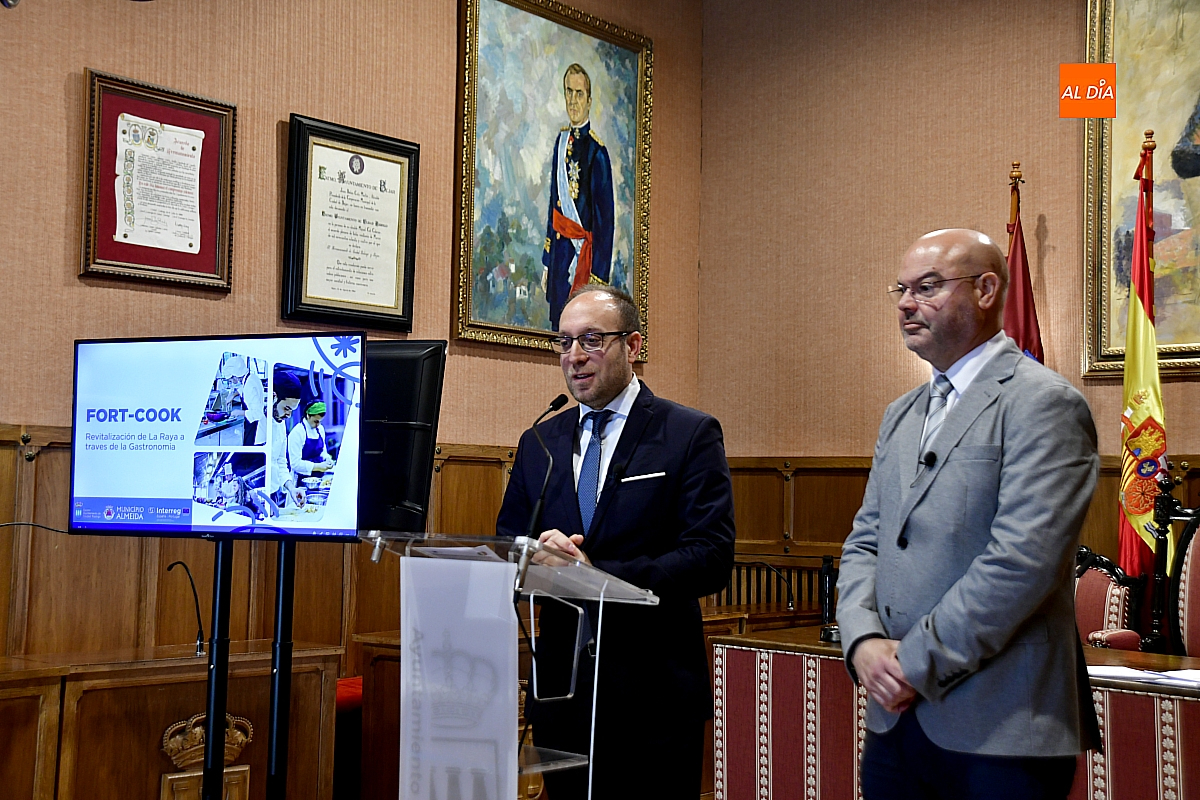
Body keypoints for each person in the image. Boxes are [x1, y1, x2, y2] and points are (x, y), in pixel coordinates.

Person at [836, 229, 1101, 800]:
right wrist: (861, 642)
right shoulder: (902, 413)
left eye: (928, 287)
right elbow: (866, 541)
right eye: (902, 290)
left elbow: (1022, 562)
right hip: (895, 722)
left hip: (1002, 724)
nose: (907, 304)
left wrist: (913, 662)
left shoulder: (1043, 402)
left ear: (985, 290)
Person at [496, 285, 735, 799]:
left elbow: (710, 557)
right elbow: (508, 541)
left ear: (632, 345)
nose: (574, 357)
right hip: (562, 694)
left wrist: (594, 574)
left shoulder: (687, 433)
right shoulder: (539, 441)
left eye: (591, 340)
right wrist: (534, 556)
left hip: (653, 694)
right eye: (564, 342)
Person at [542, 63, 615, 330]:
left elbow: (605, 224)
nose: (573, 100)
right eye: (569, 92)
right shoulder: (560, 143)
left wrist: (597, 280)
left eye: (579, 93)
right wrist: (547, 262)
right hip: (559, 261)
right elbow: (554, 206)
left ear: (589, 101)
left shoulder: (598, 153)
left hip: (581, 263)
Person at [268, 369, 304, 511]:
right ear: (273, 397)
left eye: (292, 410)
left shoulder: (280, 424)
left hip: (273, 495)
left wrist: (291, 488)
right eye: (286, 408)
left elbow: (280, 461)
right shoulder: (256, 423)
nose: (288, 415)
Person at [287, 400, 335, 488]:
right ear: (308, 415)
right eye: (316, 421)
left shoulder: (320, 429)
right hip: (301, 480)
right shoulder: (297, 433)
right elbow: (295, 464)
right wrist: (317, 466)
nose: (318, 424)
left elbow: (323, 451)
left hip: (319, 478)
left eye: (320, 421)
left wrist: (327, 459)